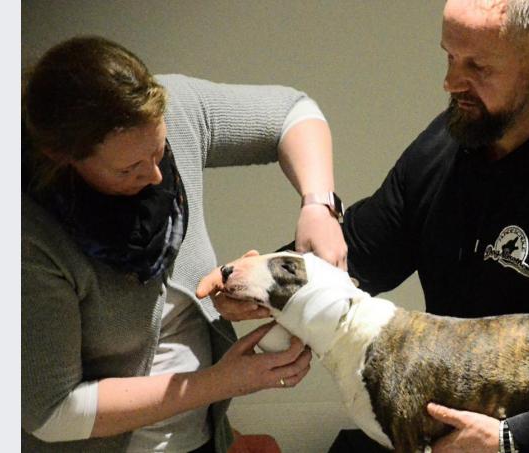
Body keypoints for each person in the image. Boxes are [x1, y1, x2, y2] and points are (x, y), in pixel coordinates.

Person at [209, 0, 529, 452]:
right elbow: (364, 250)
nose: (450, 82)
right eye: (450, 56)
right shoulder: (450, 143)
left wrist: (514, 438)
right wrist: (258, 282)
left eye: (477, 66)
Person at [21, 36, 348, 453]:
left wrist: (319, 205)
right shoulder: (30, 238)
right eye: (129, 169)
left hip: (201, 437)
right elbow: (52, 413)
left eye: (159, 151)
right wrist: (221, 382)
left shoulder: (176, 111)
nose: (156, 176)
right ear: (61, 156)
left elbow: (294, 112)